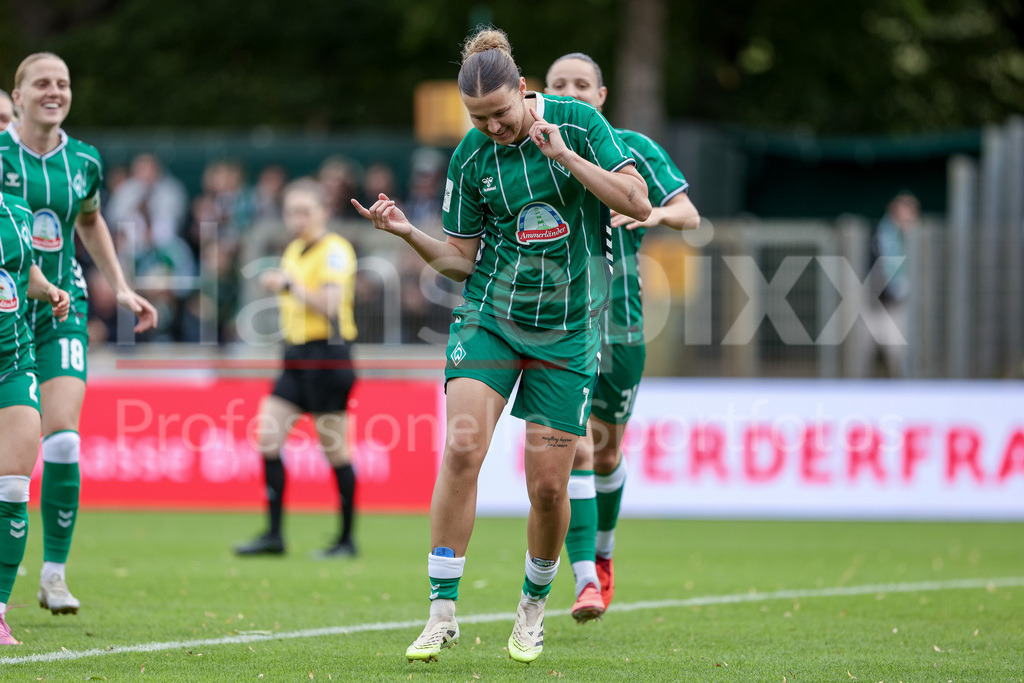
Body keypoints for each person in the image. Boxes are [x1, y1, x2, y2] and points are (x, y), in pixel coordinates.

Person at [353, 28, 651, 664]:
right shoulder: (469, 158)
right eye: (478, 118)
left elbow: (639, 203)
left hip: (569, 331)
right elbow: (459, 262)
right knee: (462, 447)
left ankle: (532, 606)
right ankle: (440, 613)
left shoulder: (580, 121)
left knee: (548, 486)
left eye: (501, 114)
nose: (492, 128)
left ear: (525, 90)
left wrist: (566, 156)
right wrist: (407, 232)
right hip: (490, 316)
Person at [544, 52, 701, 622]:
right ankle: (586, 579)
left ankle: (603, 556)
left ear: (602, 95)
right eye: (560, 84)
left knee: (607, 449)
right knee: (575, 443)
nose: (572, 91)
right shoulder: (534, 150)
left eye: (582, 84)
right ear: (545, 92)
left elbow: (689, 215)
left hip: (622, 320)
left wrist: (653, 215)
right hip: (559, 321)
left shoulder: (632, 147)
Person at [0, 52, 158, 616]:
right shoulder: (0, 155)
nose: (54, 91)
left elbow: (89, 221)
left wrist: (118, 285)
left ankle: (54, 574)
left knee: (62, 435)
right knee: (11, 457)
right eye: (42, 83)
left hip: (62, 305)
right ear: (17, 96)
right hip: (6, 307)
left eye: (63, 84)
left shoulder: (84, 160)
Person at [234, 178, 359, 559]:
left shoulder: (335, 250)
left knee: (335, 451)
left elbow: (331, 304)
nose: (297, 219)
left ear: (323, 211)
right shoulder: (294, 250)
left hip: (328, 355)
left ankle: (346, 540)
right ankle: (274, 534)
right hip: (295, 355)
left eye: (305, 211)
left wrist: (290, 285)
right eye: (291, 212)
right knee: (268, 436)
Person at [0, 192, 71, 643]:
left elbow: (21, 274)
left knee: (12, 483)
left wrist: (46, 289)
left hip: (12, 356)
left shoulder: (17, 209)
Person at [856, 192, 919, 378]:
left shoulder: (915, 240)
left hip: (896, 306)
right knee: (863, 353)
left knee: (897, 355)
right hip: (874, 303)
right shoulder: (882, 236)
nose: (908, 219)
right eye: (904, 214)